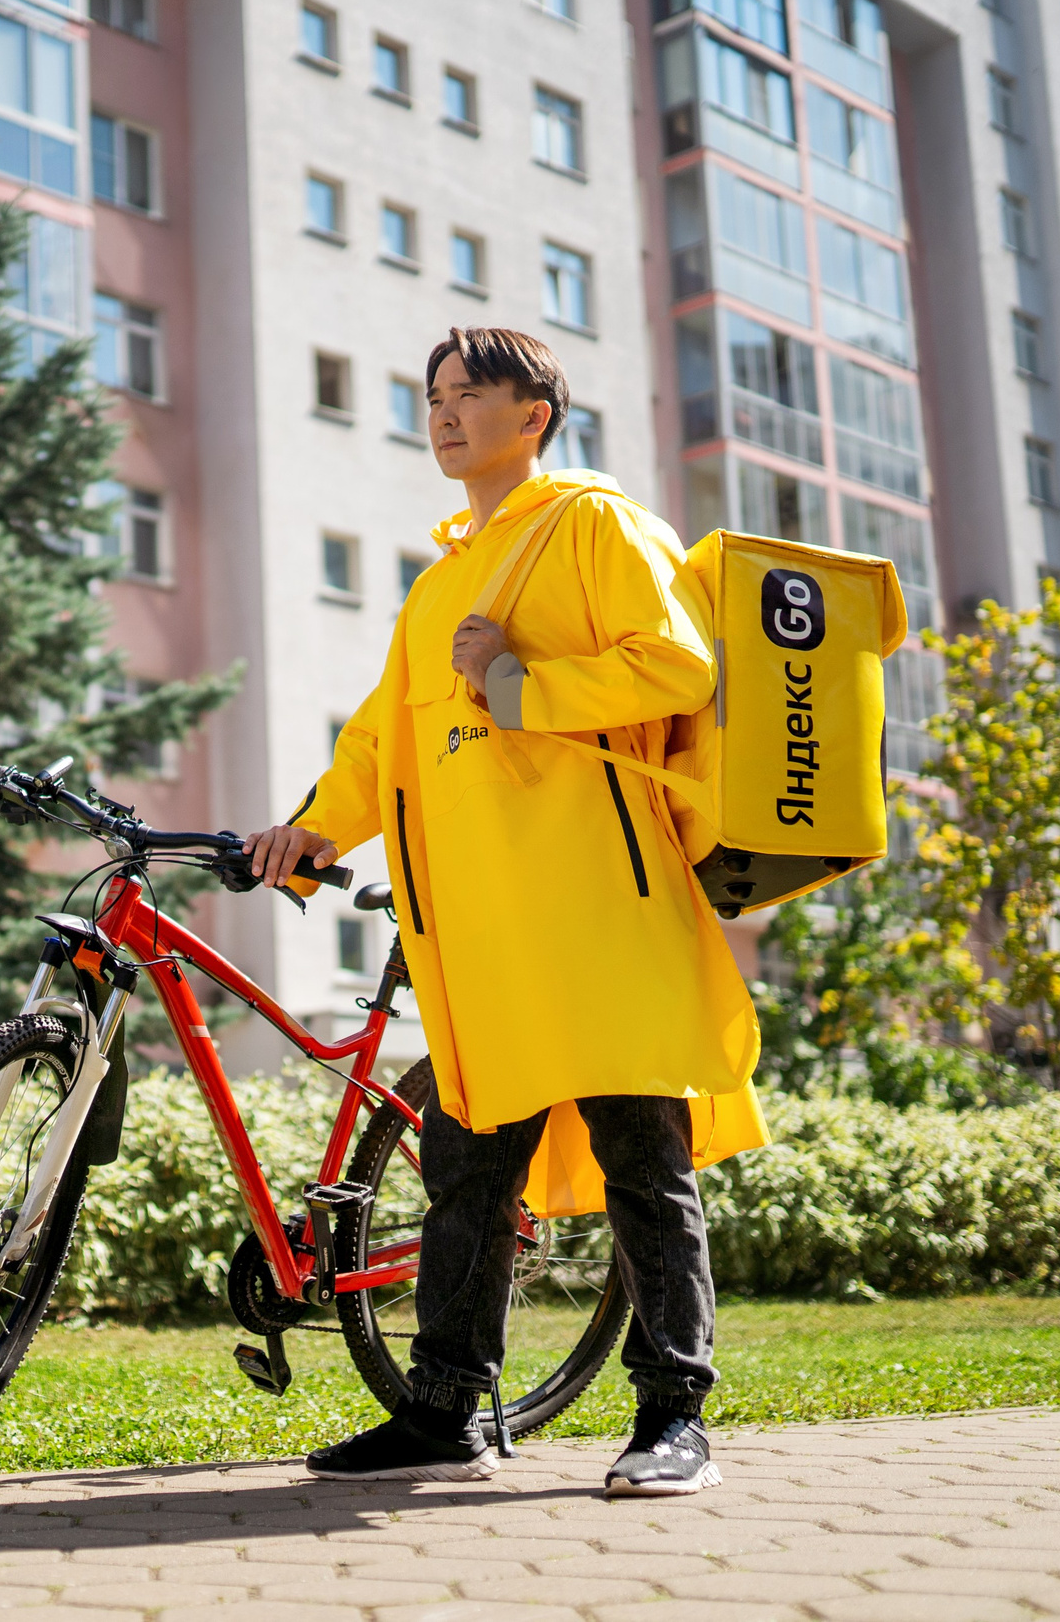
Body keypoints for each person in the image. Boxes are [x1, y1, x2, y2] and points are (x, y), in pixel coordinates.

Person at [245, 326, 764, 1495]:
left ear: (532, 414)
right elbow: (388, 737)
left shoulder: (595, 523)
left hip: (598, 901)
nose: (442, 414)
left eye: (468, 393)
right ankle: (445, 1410)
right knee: (466, 1173)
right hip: (479, 931)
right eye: (431, 395)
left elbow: (676, 664)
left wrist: (522, 685)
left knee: (644, 1156)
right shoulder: (436, 586)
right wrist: (318, 826)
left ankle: (674, 1417)